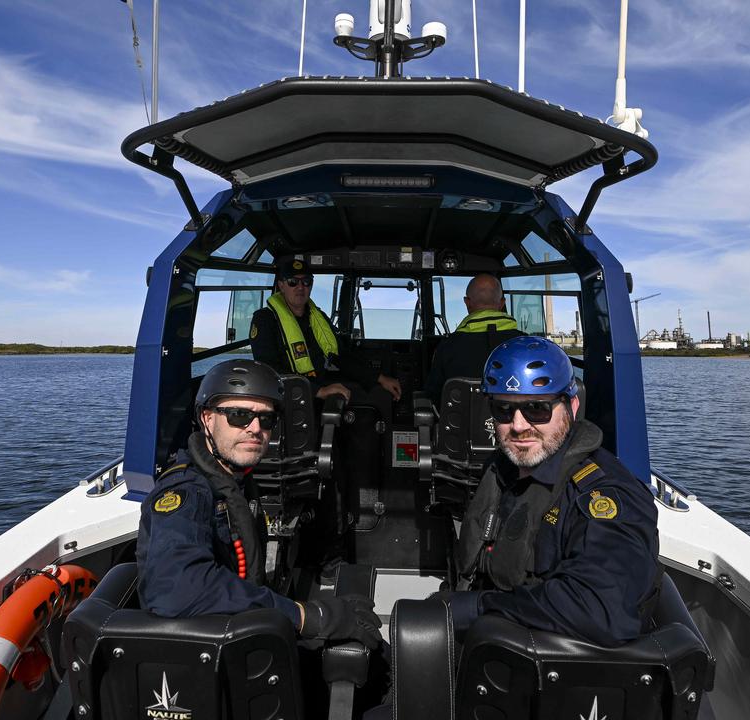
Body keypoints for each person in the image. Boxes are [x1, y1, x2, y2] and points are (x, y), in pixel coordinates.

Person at [136, 359, 381, 649]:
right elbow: (177, 589)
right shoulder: (188, 493)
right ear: (206, 418)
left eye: (266, 419)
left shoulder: (235, 478)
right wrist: (306, 616)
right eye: (238, 415)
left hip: (240, 634)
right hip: (206, 652)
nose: (255, 428)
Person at [441, 337, 661, 646]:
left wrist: (477, 608)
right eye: (503, 409)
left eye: (537, 409)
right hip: (482, 640)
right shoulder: (505, 466)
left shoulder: (604, 493)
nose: (518, 426)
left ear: (571, 406)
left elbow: (599, 606)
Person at [250, 256, 401, 410]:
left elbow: (340, 356)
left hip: (317, 388)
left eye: (306, 281)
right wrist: (319, 391)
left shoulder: (318, 318)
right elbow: (267, 368)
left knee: (377, 395)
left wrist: (380, 378)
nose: (300, 287)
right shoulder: (265, 319)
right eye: (293, 282)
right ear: (282, 286)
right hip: (286, 397)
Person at [423, 273, 523, 402]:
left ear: (467, 302)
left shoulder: (448, 346)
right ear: (502, 303)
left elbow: (434, 394)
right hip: (511, 420)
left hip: (459, 421)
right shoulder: (525, 344)